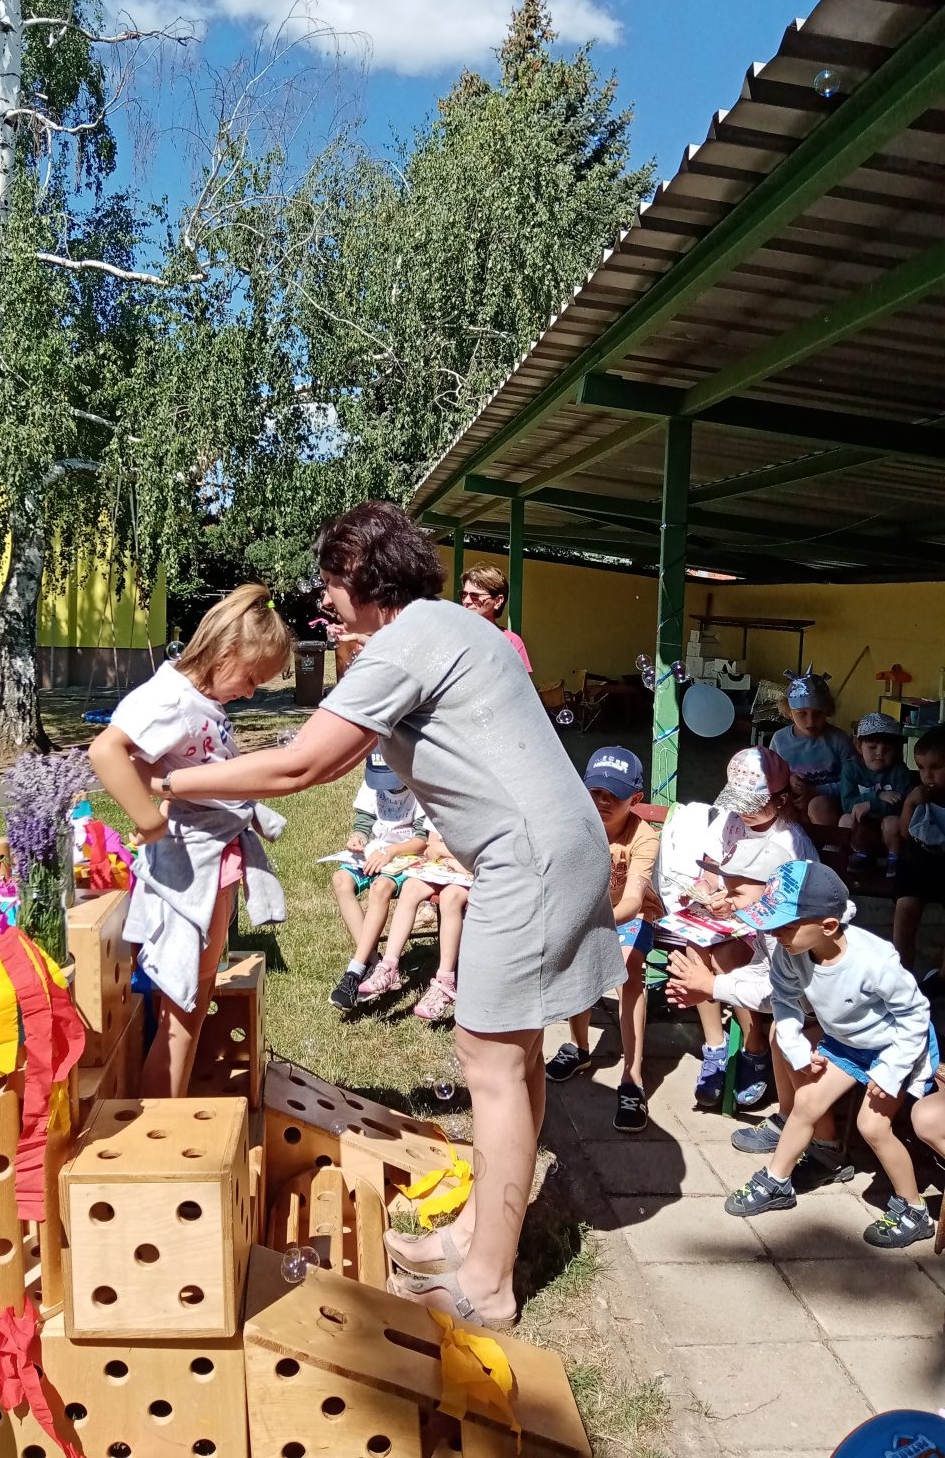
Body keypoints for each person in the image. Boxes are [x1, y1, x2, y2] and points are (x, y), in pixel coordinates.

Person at [142, 500, 623, 1329]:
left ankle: (487, 1285)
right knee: (512, 1056)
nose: (324, 599)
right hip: (556, 845)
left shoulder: (408, 642)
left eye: (330, 582)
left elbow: (303, 766)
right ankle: (475, 1235)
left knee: (490, 1062)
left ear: (363, 577)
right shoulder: (448, 626)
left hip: (527, 861)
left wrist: (169, 781)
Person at [87, 584, 291, 1097]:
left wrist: (156, 801)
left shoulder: (194, 698)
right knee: (186, 1007)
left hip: (209, 857)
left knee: (187, 1005)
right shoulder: (173, 698)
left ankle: (166, 1109)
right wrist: (150, 821)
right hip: (193, 863)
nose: (251, 693)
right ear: (226, 652)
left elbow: (156, 764)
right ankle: (164, 1122)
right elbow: (107, 751)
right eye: (251, 679)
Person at [724, 861, 937, 1248]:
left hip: (896, 1047)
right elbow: (784, 1000)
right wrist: (796, 1047)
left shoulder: (875, 961)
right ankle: (777, 1181)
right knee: (807, 1101)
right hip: (848, 1042)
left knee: (872, 1126)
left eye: (785, 926)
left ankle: (914, 1209)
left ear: (828, 926)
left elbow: (915, 1015)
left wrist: (891, 1071)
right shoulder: (791, 951)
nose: (775, 934)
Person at [667, 845, 853, 1187]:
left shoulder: (797, 932)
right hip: (811, 1013)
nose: (727, 900)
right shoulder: (775, 927)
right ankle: (788, 1116)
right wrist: (713, 986)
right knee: (780, 1032)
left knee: (789, 1038)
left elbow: (776, 992)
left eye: (736, 892)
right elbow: (763, 973)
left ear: (770, 889)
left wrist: (712, 986)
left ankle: (827, 1147)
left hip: (843, 1027)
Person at [655, 746, 816, 1108]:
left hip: (768, 928)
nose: (742, 812)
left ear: (780, 799)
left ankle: (753, 1042)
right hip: (731, 913)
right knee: (695, 945)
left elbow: (792, 905)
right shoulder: (729, 820)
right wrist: (704, 892)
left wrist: (736, 907)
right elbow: (711, 871)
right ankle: (715, 1044)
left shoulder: (790, 841)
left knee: (724, 958)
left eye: (752, 804)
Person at [544, 747, 662, 1132]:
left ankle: (632, 1076)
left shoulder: (643, 837)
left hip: (630, 914)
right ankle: (579, 1047)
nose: (602, 801)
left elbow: (633, 900)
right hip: (588, 909)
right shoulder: (576, 827)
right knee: (579, 962)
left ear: (636, 799)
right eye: (595, 791)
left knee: (627, 968)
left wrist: (592, 922)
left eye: (614, 794)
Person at [328, 751, 429, 1012]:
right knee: (340, 880)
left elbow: (422, 840)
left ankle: (355, 970)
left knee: (380, 887)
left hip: (406, 857)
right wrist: (358, 837)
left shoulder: (420, 788)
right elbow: (364, 822)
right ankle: (372, 962)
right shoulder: (372, 785)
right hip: (376, 852)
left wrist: (392, 852)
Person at [355, 823, 471, 1021]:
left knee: (450, 897)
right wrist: (447, 856)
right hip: (445, 865)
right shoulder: (442, 805)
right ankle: (389, 966)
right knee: (410, 888)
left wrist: (446, 854)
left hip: (470, 871)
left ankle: (445, 981)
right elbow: (431, 845)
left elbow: (476, 854)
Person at [770, 667, 857, 834]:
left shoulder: (839, 740)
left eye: (817, 713)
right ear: (789, 712)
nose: (811, 721)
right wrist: (789, 781)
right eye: (802, 714)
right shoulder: (780, 740)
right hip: (793, 803)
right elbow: (770, 777)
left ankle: (831, 845)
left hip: (828, 807)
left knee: (818, 806)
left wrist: (816, 791)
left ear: (827, 711)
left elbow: (855, 781)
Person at [892, 723, 945, 974]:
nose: (928, 775)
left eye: (936, 767)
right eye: (922, 768)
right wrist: (910, 803)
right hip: (917, 864)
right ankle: (901, 972)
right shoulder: (919, 793)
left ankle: (941, 978)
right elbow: (905, 833)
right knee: (905, 911)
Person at [839, 712, 917, 876]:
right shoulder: (851, 769)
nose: (880, 753)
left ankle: (894, 858)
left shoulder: (900, 771)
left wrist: (871, 805)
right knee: (845, 820)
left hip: (888, 828)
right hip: (863, 825)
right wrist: (877, 797)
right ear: (859, 746)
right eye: (872, 747)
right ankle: (858, 854)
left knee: (893, 822)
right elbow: (847, 804)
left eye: (887, 749)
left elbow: (903, 806)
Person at [460, 563, 532, 673]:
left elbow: (519, 682)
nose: (466, 601)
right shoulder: (453, 634)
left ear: (498, 601)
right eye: (464, 595)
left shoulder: (511, 642)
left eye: (475, 596)